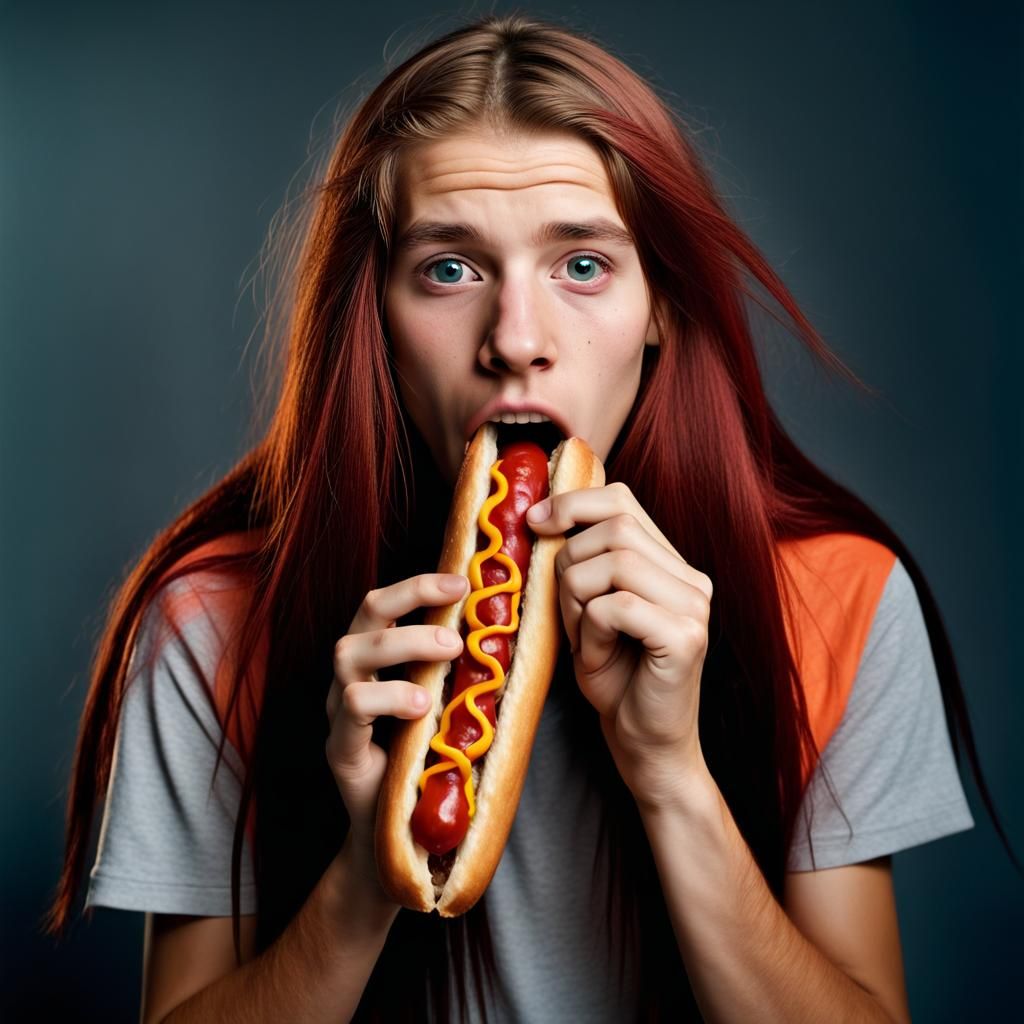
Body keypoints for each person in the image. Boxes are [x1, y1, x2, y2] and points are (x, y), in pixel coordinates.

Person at [45, 13, 999, 1022]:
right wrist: (371, 872)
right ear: (376, 316)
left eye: (581, 264)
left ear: (661, 306)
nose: (514, 339)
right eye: (449, 269)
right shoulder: (214, 620)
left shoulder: (833, 601)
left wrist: (670, 775)